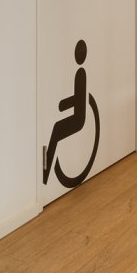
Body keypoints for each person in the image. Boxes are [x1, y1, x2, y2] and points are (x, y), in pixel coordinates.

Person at [43, 40, 90, 184]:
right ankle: (45, 170)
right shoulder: (79, 72)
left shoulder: (80, 74)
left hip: (78, 119)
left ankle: (45, 172)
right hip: (76, 115)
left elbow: (79, 98)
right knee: (57, 128)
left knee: (57, 129)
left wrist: (62, 105)